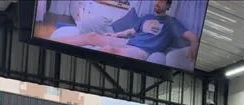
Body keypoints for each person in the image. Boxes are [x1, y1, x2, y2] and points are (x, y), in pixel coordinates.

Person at [55, 0, 199, 62]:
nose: (157, 3)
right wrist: (114, 34)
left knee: (109, 50)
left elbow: (191, 36)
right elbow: (131, 31)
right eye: (156, 0)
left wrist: (194, 43)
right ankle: (55, 43)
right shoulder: (146, 17)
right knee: (91, 36)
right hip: (128, 41)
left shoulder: (172, 22)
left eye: (161, 1)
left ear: (168, 5)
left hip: (141, 51)